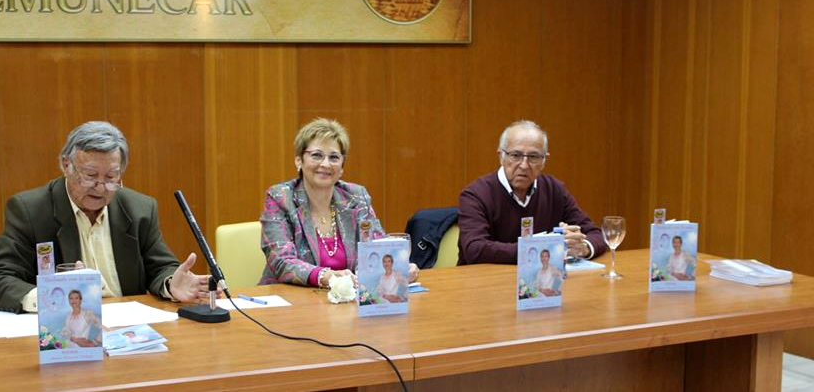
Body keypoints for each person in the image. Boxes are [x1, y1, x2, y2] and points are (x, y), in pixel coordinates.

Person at [0, 121, 216, 313]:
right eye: (90, 175)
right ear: (66, 165)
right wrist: (52, 296)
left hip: (127, 328)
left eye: (112, 178)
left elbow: (160, 267)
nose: (101, 188)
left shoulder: (139, 209)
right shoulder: (31, 210)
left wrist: (170, 284)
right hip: (64, 333)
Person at [259, 118, 419, 287]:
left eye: (334, 157)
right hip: (291, 303)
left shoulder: (356, 197)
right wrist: (326, 276)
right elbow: (282, 261)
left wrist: (399, 267)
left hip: (346, 302)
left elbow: (375, 247)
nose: (326, 164)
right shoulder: (280, 198)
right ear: (299, 160)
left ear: (342, 167)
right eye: (316, 155)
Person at [458, 120, 608, 265]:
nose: (524, 165)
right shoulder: (476, 194)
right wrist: (544, 247)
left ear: (544, 160)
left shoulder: (554, 189)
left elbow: (597, 234)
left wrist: (583, 247)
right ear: (501, 156)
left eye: (533, 157)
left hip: (539, 284)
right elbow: (474, 249)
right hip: (483, 282)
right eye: (515, 155)